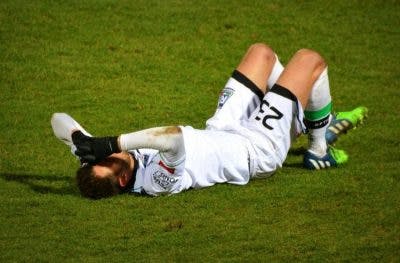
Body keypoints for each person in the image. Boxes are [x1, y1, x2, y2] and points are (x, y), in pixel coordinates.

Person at [51, 43, 367, 199]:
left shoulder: (115, 161)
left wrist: (78, 138)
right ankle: (318, 147)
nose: (109, 154)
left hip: (223, 126)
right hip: (255, 151)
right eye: (110, 158)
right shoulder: (157, 182)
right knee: (310, 61)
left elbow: (57, 119)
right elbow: (172, 137)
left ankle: (302, 119)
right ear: (121, 180)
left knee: (262, 53)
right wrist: (111, 142)